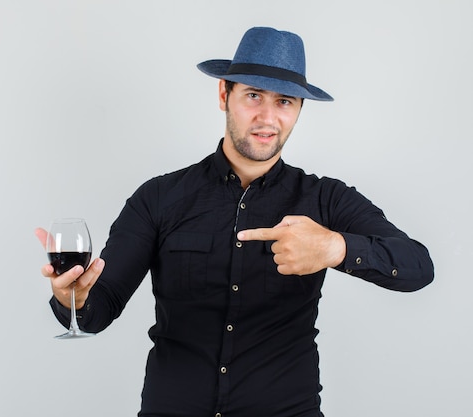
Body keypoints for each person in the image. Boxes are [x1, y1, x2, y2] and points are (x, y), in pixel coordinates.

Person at [36, 27, 434, 417]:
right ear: (224, 94)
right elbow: (99, 309)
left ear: (298, 110)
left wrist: (335, 247)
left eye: (285, 102)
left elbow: (418, 266)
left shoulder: (326, 199)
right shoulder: (158, 198)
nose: (267, 117)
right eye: (254, 96)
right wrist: (74, 297)